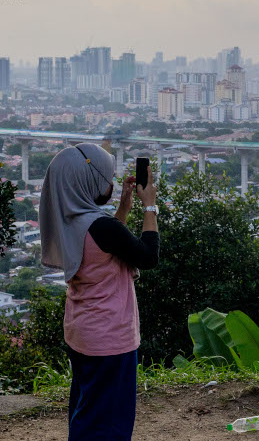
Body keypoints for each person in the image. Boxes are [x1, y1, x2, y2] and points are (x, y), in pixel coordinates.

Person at [39, 143, 160, 441]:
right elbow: (147, 256)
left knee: (88, 411)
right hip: (110, 338)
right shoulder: (103, 228)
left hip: (82, 332)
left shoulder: (70, 219)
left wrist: (123, 209)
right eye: (107, 177)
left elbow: (102, 252)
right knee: (109, 424)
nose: (111, 182)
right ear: (89, 182)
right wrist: (149, 206)